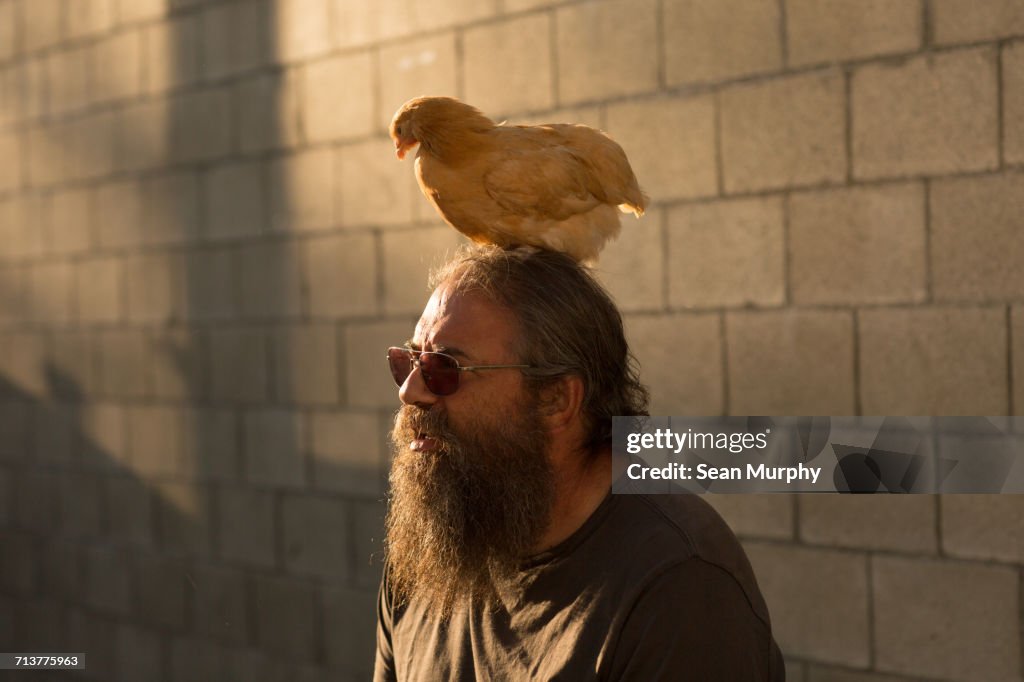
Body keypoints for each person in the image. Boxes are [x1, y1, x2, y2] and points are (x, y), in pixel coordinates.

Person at [375, 246, 785, 681]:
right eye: (409, 361)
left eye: (445, 368)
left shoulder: (680, 585)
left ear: (556, 400)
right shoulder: (432, 550)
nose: (410, 392)